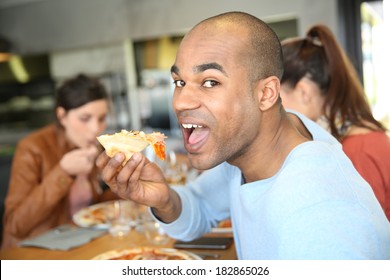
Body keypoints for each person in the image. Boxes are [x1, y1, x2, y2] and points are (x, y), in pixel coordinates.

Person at [97, 12, 390, 259]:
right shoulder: (259, 144)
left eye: (210, 81)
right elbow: (198, 209)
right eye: (180, 81)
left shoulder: (319, 214)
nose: (180, 101)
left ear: (266, 93)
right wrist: (163, 200)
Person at [280, 24, 390, 220]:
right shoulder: (357, 136)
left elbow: (359, 234)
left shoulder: (356, 151)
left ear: (304, 93)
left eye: (278, 97)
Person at [2, 74, 117, 249]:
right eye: (84, 119)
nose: (95, 129)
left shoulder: (94, 146)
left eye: (101, 119)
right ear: (62, 116)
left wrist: (121, 183)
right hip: (36, 254)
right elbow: (15, 225)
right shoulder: (32, 148)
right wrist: (63, 173)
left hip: (81, 244)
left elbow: (92, 206)